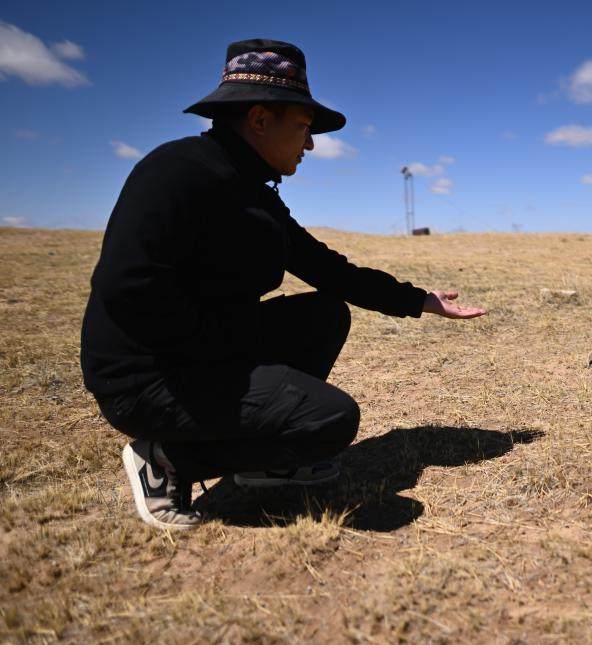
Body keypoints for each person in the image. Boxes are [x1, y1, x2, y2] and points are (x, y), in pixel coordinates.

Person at [80, 39, 486, 530]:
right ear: (258, 119)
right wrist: (222, 351)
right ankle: (166, 461)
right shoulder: (177, 173)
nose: (310, 143)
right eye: (303, 126)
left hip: (203, 352)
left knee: (325, 313)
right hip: (149, 378)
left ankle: (261, 461)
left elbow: (325, 267)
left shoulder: (251, 189)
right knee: (331, 419)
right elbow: (129, 290)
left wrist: (418, 300)